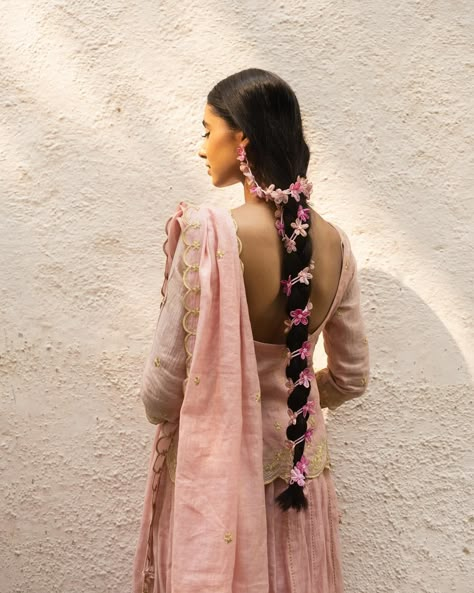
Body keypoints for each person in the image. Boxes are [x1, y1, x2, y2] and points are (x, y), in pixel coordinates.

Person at [132, 68, 370, 593]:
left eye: (206, 129)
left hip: (217, 491)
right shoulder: (335, 244)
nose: (200, 148)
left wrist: (213, 399)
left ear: (241, 139)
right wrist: (301, 392)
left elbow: (160, 392)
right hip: (299, 480)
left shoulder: (205, 236)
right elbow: (352, 378)